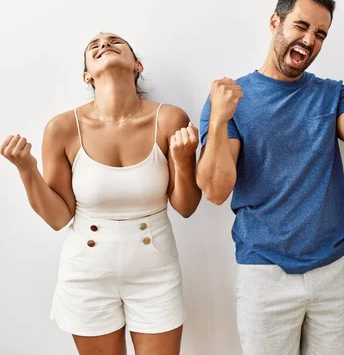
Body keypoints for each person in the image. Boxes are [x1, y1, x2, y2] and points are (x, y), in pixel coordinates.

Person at [196, 0, 344, 354]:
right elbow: (215, 189)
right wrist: (220, 121)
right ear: (275, 22)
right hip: (264, 274)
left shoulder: (331, 94)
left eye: (320, 34)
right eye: (301, 26)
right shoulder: (231, 98)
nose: (309, 40)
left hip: (332, 272)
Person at [1, 32, 202, 355]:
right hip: (87, 273)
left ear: (137, 65)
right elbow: (58, 218)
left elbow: (187, 206)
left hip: (156, 271)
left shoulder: (169, 118)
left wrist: (180, 159)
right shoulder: (62, 128)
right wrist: (27, 169)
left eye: (114, 41)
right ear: (87, 75)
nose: (104, 44)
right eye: (94, 46)